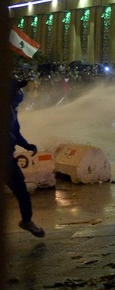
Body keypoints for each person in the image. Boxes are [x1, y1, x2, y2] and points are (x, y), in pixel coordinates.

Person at [6, 79, 45, 237]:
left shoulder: (12, 111)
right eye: (16, 90)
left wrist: (27, 145)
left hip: (7, 160)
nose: (19, 94)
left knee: (21, 190)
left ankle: (27, 221)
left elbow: (15, 133)